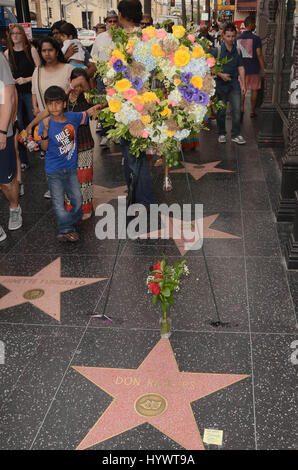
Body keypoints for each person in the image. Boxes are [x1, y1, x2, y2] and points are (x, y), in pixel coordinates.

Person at [37, 86, 103, 242]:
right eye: (50, 103)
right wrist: (45, 131)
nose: (54, 107)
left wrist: (102, 105)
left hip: (71, 169)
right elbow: (43, 147)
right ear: (46, 105)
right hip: (54, 171)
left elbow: (87, 113)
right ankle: (66, 229)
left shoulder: (72, 117)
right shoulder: (45, 123)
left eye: (57, 103)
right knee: (59, 202)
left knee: (78, 200)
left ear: (64, 104)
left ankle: (68, 221)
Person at [117, 0, 155, 206]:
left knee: (134, 154)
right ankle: (137, 197)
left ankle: (144, 200)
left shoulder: (129, 40)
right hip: (143, 101)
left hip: (132, 102)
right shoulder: (146, 37)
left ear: (122, 14)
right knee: (135, 152)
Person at [4, 24, 41, 170]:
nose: (15, 36)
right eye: (12, 33)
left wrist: (26, 79)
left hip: (29, 90)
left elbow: (39, 72)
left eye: (18, 33)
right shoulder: (7, 53)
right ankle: (24, 157)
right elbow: (6, 74)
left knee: (34, 120)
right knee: (18, 123)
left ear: (23, 35)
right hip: (15, 92)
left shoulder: (31, 50)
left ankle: (42, 146)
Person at [210, 23, 246, 145]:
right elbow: (210, 66)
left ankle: (236, 134)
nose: (230, 39)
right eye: (228, 36)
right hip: (220, 86)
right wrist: (221, 75)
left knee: (237, 110)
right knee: (221, 112)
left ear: (235, 36)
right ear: (223, 36)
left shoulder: (238, 51)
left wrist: (244, 85)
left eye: (232, 36)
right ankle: (221, 133)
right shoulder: (217, 51)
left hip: (234, 85)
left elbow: (241, 68)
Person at [0, 52, 22, 242]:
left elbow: (8, 94)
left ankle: (15, 207)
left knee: (6, 182)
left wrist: (2, 130)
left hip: (0, 130)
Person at [91, 10, 119, 145]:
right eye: (110, 21)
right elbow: (94, 58)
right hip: (102, 76)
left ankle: (118, 133)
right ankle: (105, 134)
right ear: (106, 22)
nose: (112, 24)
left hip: (119, 77)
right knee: (103, 105)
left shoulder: (122, 36)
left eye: (115, 21)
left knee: (118, 104)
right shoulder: (100, 38)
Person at [237, 16, 265, 118]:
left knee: (242, 90)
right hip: (254, 68)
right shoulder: (256, 38)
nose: (255, 25)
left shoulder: (238, 38)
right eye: (254, 23)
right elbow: (259, 54)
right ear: (251, 24)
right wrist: (263, 67)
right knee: (254, 90)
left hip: (241, 69)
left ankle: (241, 109)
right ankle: (252, 111)